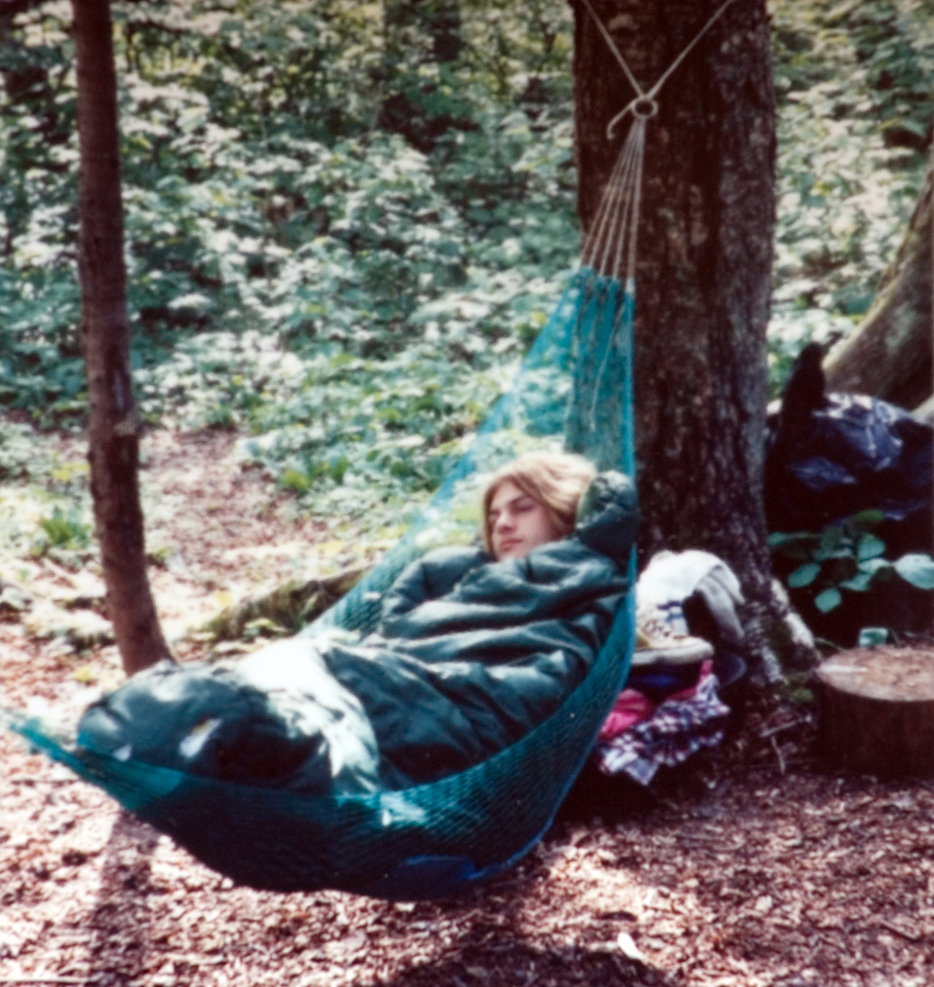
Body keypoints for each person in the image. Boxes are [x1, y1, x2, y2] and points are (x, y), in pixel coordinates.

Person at [78, 452, 639, 795]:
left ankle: (232, 728)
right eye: (493, 515)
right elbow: (401, 639)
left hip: (441, 707)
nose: (502, 524)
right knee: (283, 683)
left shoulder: (588, 582)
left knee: (286, 717)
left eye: (522, 508)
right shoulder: (457, 580)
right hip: (385, 681)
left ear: (564, 508)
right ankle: (209, 727)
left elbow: (536, 681)